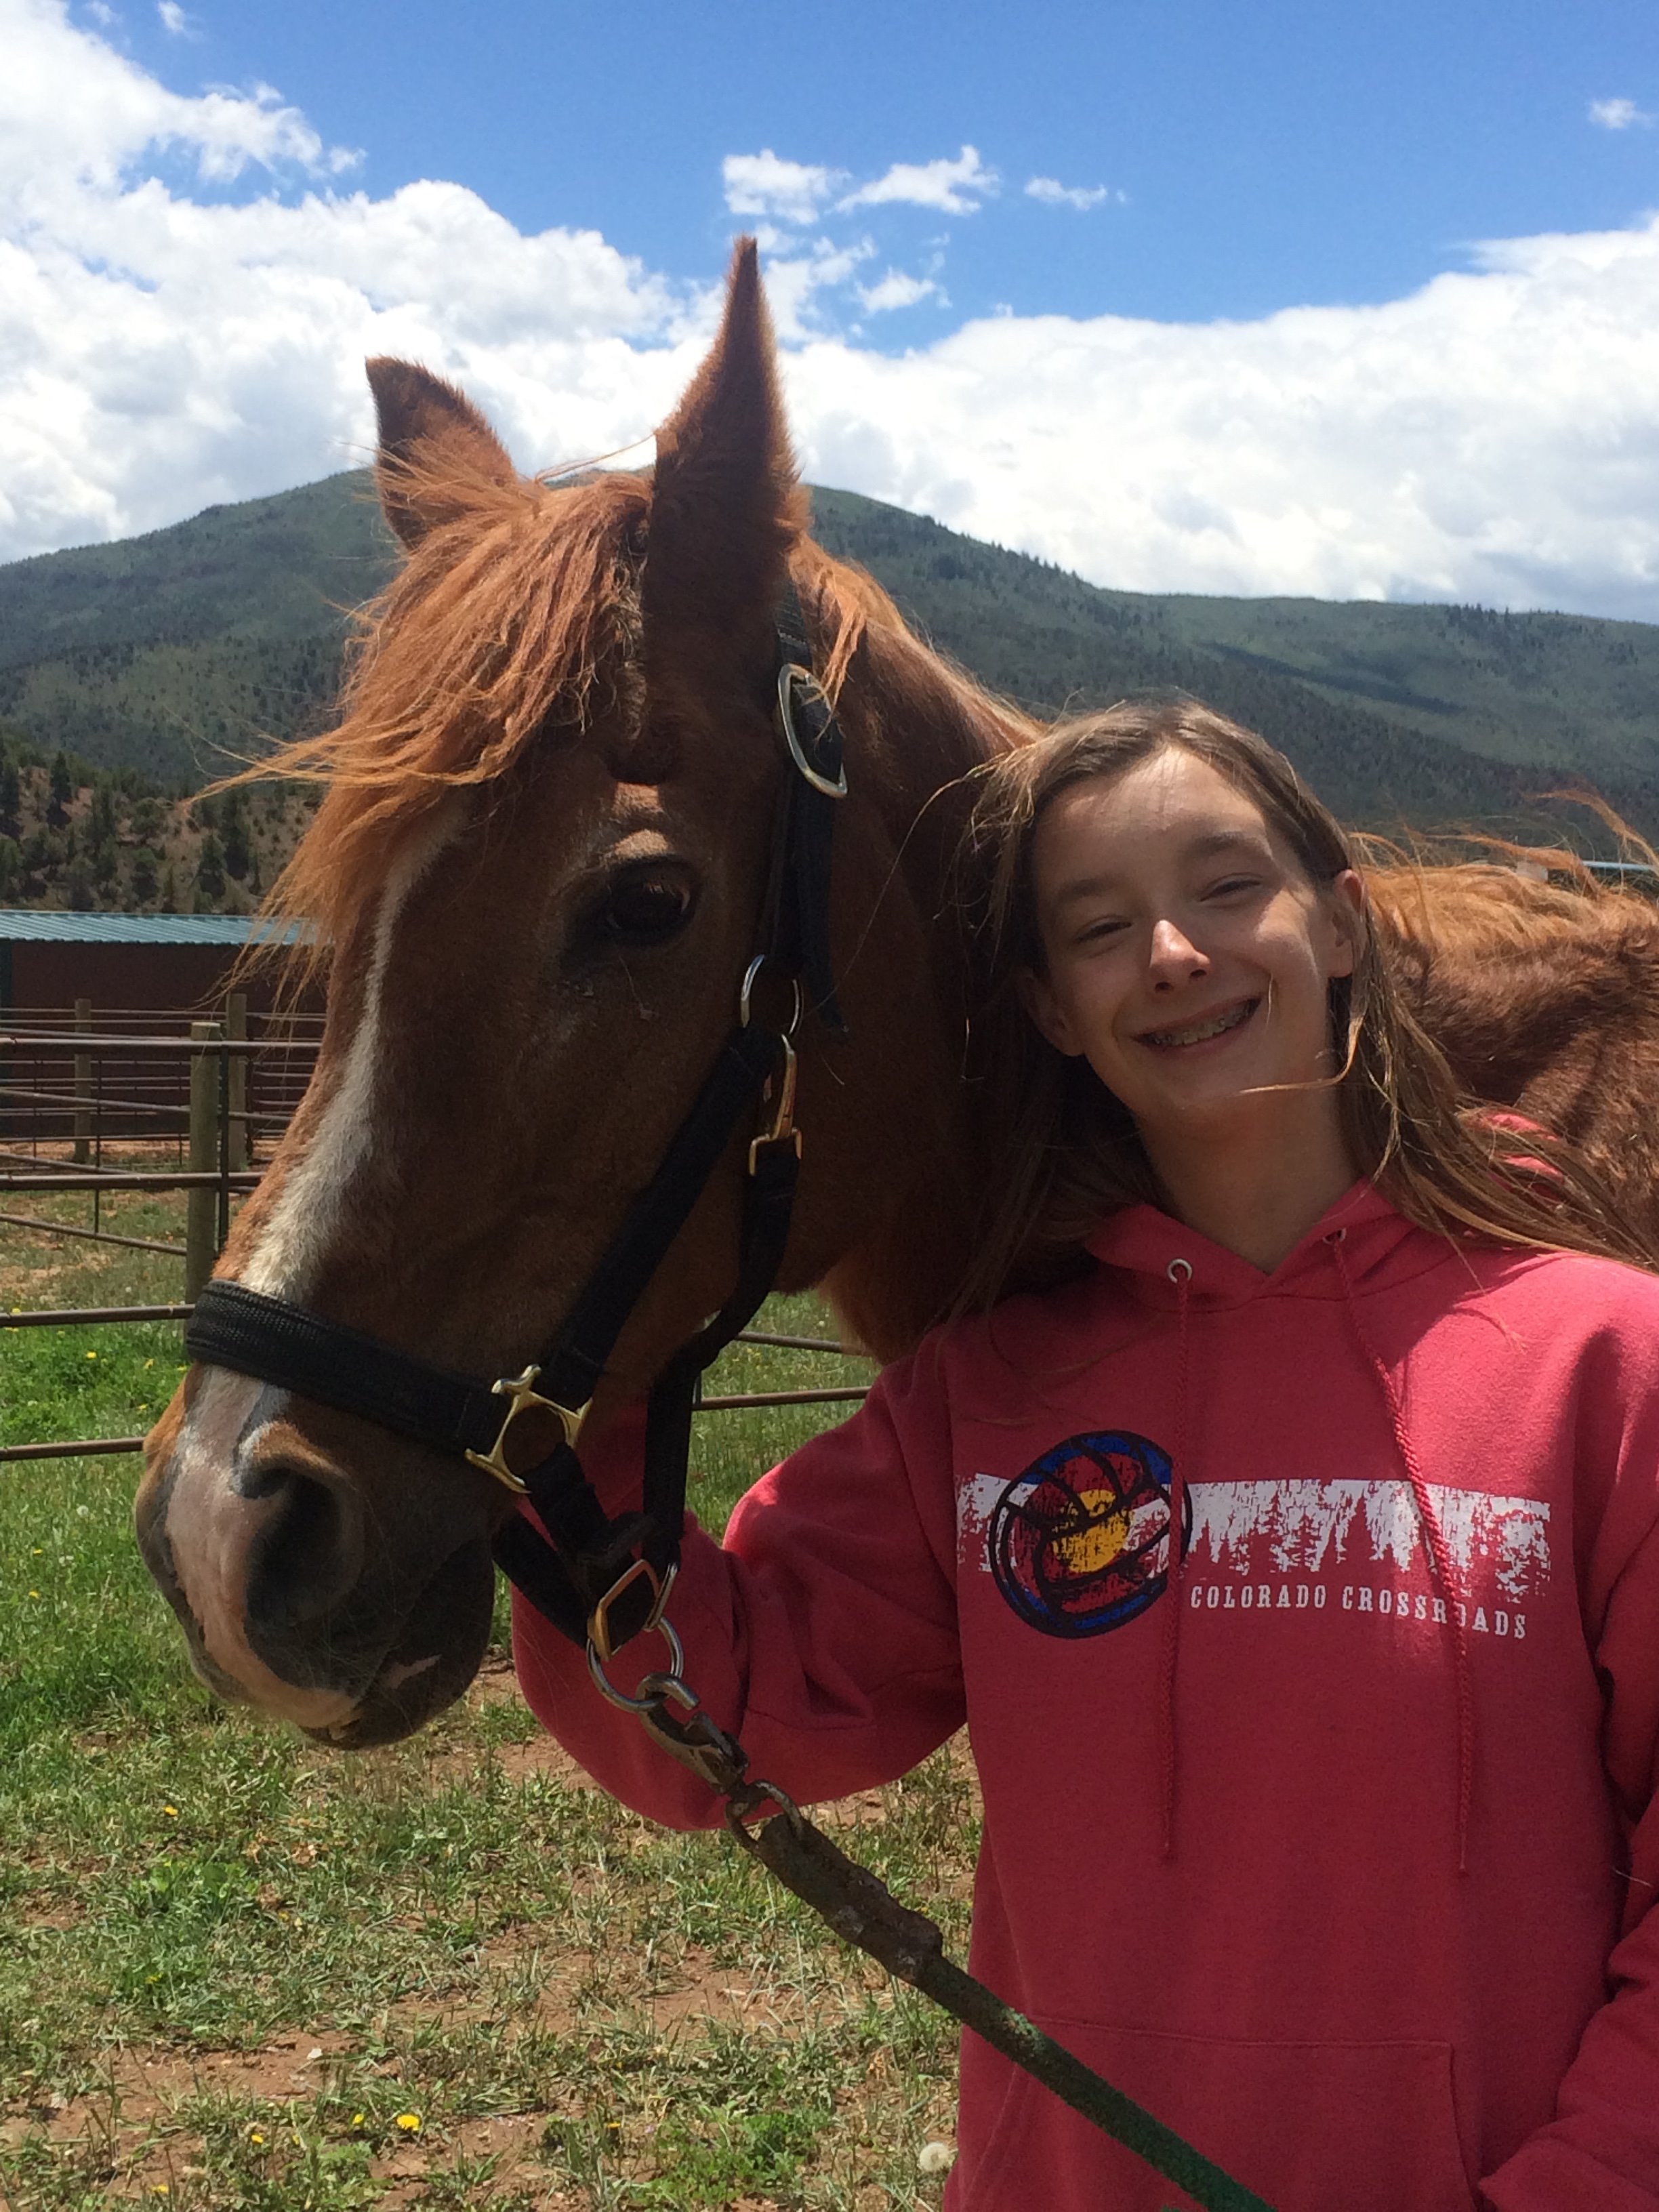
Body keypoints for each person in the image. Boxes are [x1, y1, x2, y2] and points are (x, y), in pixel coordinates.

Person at [513, 701, 1659, 2211]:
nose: (1175, 953)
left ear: (1342, 927)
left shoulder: (1606, 1364)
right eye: (1101, 925)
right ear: (1054, 1007)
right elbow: (731, 1710)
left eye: (1226, 885)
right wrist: (566, 1419)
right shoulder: (987, 1400)